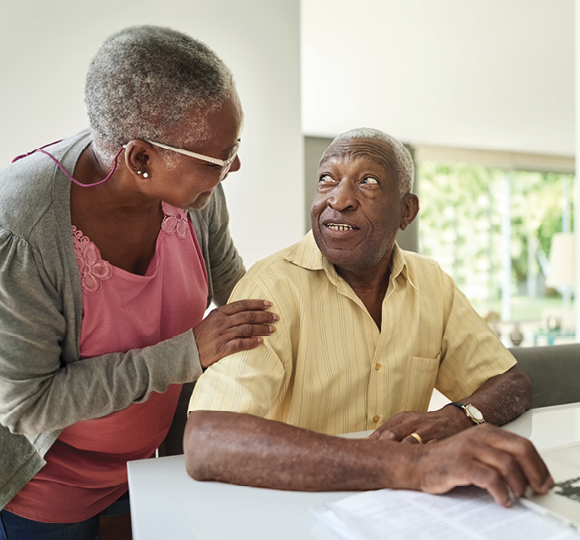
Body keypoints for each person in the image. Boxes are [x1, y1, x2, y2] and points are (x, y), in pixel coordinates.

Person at [0, 26, 278, 539]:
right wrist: (188, 352)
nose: (234, 167)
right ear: (141, 159)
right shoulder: (17, 229)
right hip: (48, 489)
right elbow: (29, 406)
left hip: (150, 468)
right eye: (220, 159)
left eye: (235, 147)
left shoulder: (194, 192)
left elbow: (236, 288)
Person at [185, 128, 554, 507]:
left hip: (404, 511)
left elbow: (510, 383)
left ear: (406, 211)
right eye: (327, 179)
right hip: (301, 509)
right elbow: (207, 439)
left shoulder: (431, 283)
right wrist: (412, 465)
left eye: (369, 182)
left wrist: (457, 417)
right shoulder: (272, 286)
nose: (339, 199)